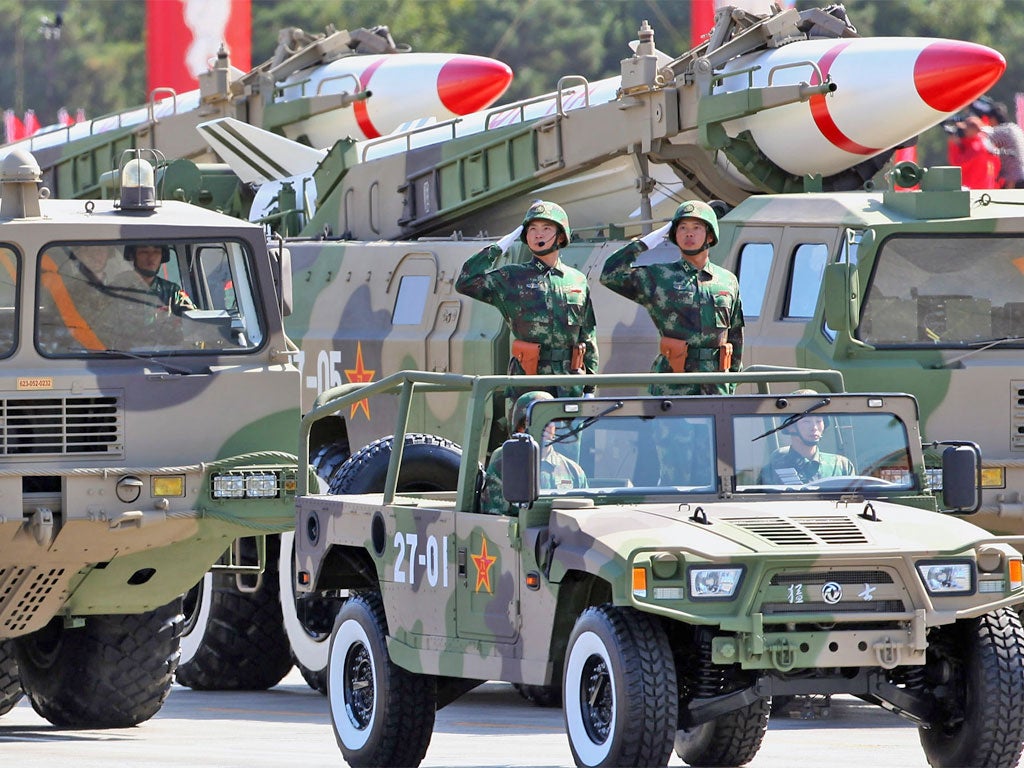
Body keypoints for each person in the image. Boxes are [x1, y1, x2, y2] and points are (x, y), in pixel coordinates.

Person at [455, 201, 598, 405]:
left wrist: (590, 387)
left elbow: (588, 335)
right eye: (532, 229)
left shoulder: (577, 280)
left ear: (560, 236)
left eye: (546, 228)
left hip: (570, 384)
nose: (538, 234)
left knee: (569, 437)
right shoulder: (511, 277)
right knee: (527, 437)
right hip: (528, 383)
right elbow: (466, 282)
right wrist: (499, 247)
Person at [600, 199, 743, 396]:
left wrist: (732, 382)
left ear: (710, 236)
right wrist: (646, 242)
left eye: (696, 227)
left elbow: (735, 335)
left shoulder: (727, 281)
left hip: (717, 385)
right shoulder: (659, 277)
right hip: (673, 383)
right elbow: (609, 274)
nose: (689, 233)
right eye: (682, 228)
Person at [479, 391, 588, 515]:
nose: (544, 427)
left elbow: (585, 514)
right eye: (535, 420)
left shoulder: (573, 472)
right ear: (519, 427)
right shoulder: (503, 469)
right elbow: (496, 521)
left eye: (549, 420)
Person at [102, 244, 196, 347]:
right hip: (125, 357)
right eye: (144, 252)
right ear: (134, 256)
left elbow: (195, 321)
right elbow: (104, 330)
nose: (151, 258)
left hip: (165, 357)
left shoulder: (172, 291)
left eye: (156, 252)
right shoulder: (116, 289)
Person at [38, 244, 114, 351]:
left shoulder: (122, 291)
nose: (96, 255)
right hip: (76, 355)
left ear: (108, 254)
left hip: (117, 355)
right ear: (80, 255)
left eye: (101, 250)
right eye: (89, 251)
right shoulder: (65, 293)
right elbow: (57, 330)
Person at [759, 408, 855, 485]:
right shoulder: (772, 470)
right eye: (806, 422)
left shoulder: (841, 466)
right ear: (790, 426)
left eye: (818, 421)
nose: (814, 427)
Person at [948, 115, 1000, 190]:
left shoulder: (976, 148)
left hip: (974, 191)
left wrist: (953, 144)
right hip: (988, 188)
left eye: (966, 129)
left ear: (973, 130)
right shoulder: (987, 143)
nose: (963, 132)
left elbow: (957, 163)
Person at [983, 102, 1024, 189]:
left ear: (993, 119)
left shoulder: (1000, 131)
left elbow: (983, 145)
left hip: (1013, 180)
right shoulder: (1015, 128)